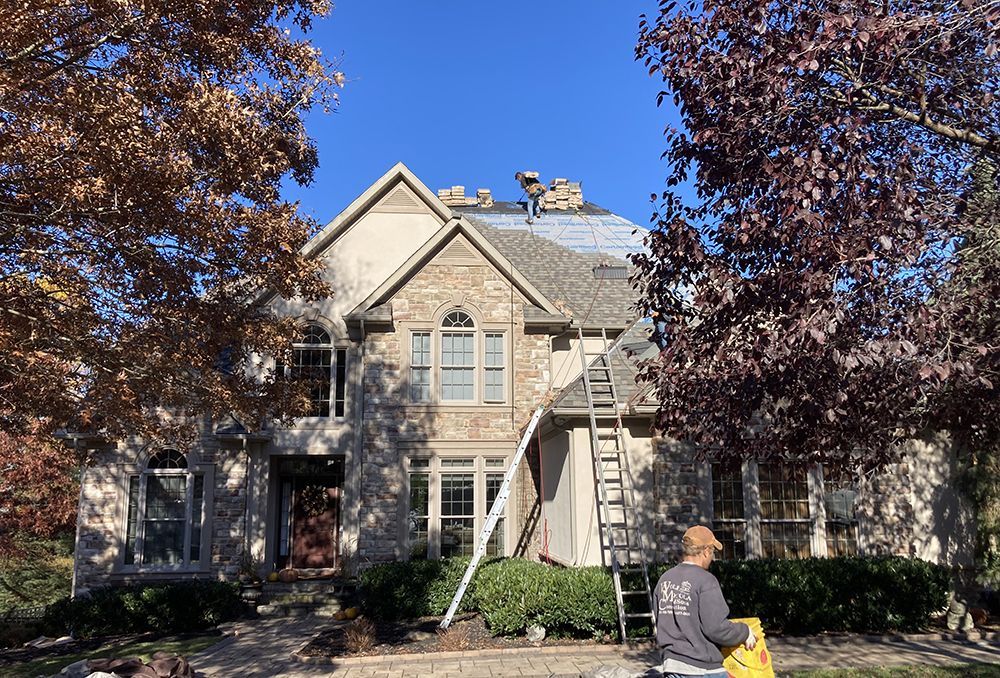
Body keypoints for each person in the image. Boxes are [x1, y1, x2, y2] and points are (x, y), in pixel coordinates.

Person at [654, 525, 756, 678]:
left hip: (672, 667)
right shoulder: (706, 581)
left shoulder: (665, 580)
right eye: (713, 552)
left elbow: (661, 620)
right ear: (706, 551)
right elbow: (717, 629)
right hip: (702, 669)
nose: (712, 557)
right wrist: (745, 631)